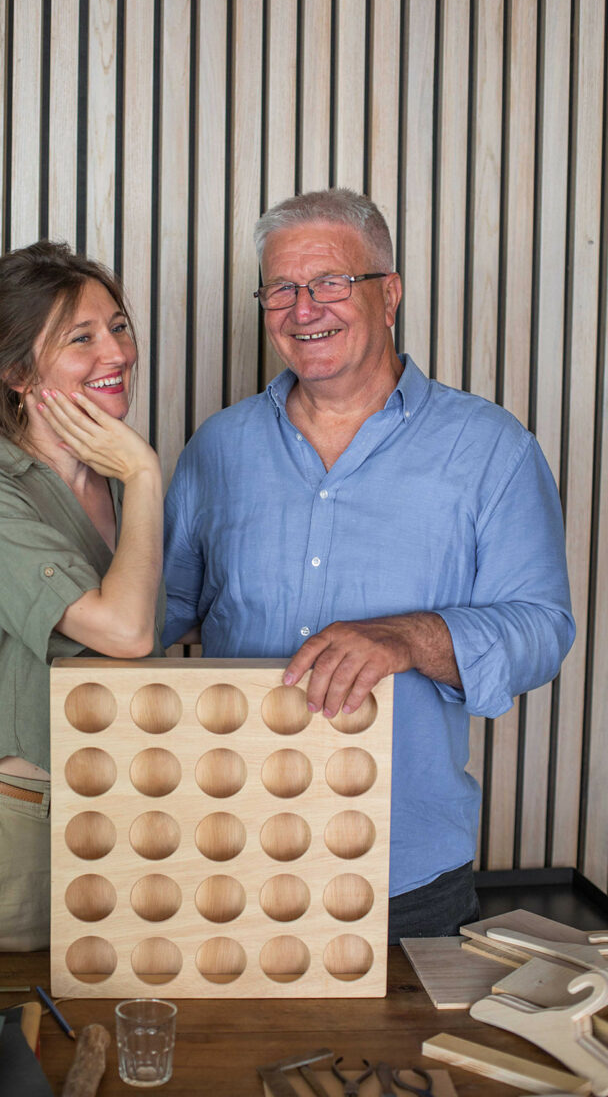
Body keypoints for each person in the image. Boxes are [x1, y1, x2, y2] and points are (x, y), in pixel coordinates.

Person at [161, 188, 575, 941]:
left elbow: (542, 628)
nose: (303, 307)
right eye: (281, 288)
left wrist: (408, 638)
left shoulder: (490, 449)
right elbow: (155, 612)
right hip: (226, 856)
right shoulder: (215, 450)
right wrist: (17, 633)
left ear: (389, 294)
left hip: (404, 877)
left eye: (330, 283)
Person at [0, 240, 164, 952]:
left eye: (118, 326)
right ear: (19, 373)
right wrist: (148, 472)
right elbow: (125, 632)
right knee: (1, 1042)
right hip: (17, 824)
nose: (115, 352)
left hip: (127, 813)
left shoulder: (118, 490)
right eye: (80, 338)